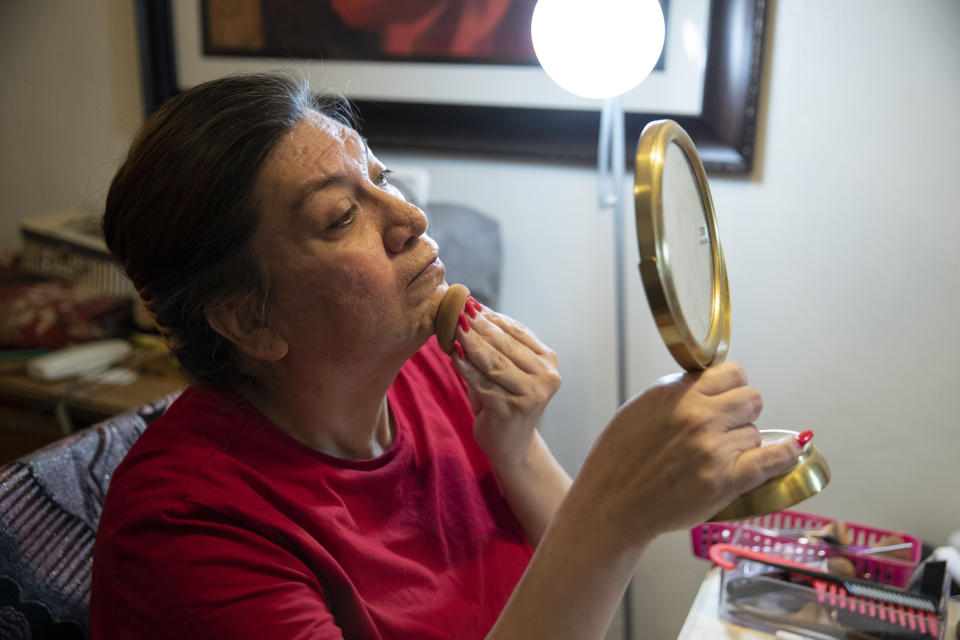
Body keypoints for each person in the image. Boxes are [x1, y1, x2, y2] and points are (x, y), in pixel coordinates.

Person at [89, 72, 800, 639]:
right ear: (249, 320)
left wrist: (517, 448)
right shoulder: (186, 533)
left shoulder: (430, 368)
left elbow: (586, 608)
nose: (409, 218)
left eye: (384, 179)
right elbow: (591, 551)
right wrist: (610, 507)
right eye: (340, 217)